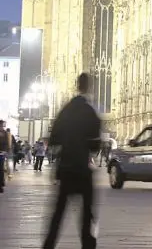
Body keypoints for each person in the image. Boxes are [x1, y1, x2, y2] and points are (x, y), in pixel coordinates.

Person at [43, 72, 102, 249]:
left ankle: (48, 245)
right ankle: (88, 245)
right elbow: (95, 145)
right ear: (88, 87)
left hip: (66, 168)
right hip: (82, 170)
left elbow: (53, 139)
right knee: (86, 214)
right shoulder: (90, 111)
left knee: (58, 214)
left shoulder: (67, 109)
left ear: (77, 85)